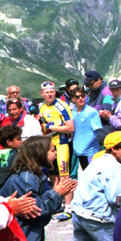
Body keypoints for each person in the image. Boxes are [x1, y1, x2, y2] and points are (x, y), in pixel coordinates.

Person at [38, 81, 75, 221]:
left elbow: (70, 127)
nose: (49, 94)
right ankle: (56, 203)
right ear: (42, 94)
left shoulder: (61, 106)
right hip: (48, 146)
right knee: (52, 176)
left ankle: (69, 207)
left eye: (52, 92)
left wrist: (52, 127)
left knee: (64, 175)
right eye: (47, 92)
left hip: (61, 144)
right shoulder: (41, 107)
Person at [71, 87, 102, 171]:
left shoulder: (92, 112)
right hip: (80, 152)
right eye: (77, 97)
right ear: (73, 99)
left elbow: (95, 132)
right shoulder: (72, 113)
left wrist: (85, 146)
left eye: (82, 96)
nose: (80, 98)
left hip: (91, 152)